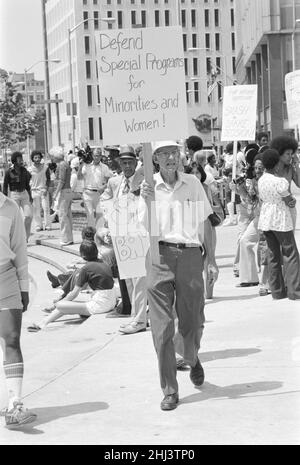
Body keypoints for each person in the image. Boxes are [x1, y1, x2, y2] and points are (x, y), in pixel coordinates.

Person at [140, 140, 218, 411]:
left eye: (175, 153)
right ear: (156, 160)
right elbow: (140, 225)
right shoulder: (148, 188)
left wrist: (212, 260)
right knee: (161, 329)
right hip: (158, 256)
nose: (171, 158)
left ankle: (192, 357)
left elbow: (205, 222)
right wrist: (144, 199)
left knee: (193, 320)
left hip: (190, 256)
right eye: (164, 154)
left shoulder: (192, 184)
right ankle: (170, 389)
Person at [101, 145, 148, 333]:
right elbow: (104, 201)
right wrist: (108, 218)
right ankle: (135, 316)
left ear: (136, 163)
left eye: (130, 162)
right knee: (128, 279)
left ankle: (139, 319)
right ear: (119, 163)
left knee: (139, 279)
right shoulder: (114, 182)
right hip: (121, 231)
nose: (127, 165)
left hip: (137, 231)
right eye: (124, 162)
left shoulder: (143, 179)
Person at [0, 190, 37, 427]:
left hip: (6, 278)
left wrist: (24, 286)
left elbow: (20, 249)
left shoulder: (10, 207)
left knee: (12, 338)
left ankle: (15, 403)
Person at [27, 240, 117, 332]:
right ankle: (43, 322)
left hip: (101, 305)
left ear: (82, 255)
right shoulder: (102, 263)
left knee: (61, 305)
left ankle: (43, 322)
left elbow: (74, 294)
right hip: (111, 301)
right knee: (65, 306)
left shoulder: (86, 269)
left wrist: (57, 305)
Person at [258, 149, 300, 300]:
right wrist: (292, 201)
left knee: (273, 255)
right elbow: (289, 201)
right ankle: (295, 291)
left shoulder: (261, 180)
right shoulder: (280, 181)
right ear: (276, 164)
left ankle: (277, 291)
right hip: (280, 219)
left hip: (266, 218)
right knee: (290, 254)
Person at [77, 148, 111, 227]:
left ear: (101, 156)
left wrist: (103, 187)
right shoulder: (86, 165)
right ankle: (91, 235)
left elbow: (108, 181)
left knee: (100, 215)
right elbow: (79, 177)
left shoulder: (105, 167)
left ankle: (99, 233)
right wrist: (81, 165)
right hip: (87, 193)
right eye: (95, 156)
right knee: (90, 215)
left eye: (98, 156)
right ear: (92, 156)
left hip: (99, 194)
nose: (97, 158)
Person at [3, 151, 33, 241]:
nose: (22, 161)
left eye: (22, 159)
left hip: (24, 194)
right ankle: (14, 238)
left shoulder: (25, 171)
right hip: (14, 195)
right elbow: (5, 185)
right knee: (15, 218)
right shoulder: (8, 172)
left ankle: (25, 237)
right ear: (14, 161)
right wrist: (4, 199)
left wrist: (30, 196)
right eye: (19, 159)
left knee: (28, 216)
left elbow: (27, 185)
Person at [50, 146, 74, 246]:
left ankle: (65, 238)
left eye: (52, 156)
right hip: (68, 191)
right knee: (67, 215)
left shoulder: (61, 165)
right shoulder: (65, 164)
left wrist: (55, 194)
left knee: (63, 215)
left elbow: (61, 181)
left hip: (64, 191)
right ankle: (69, 237)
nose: (52, 158)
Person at [28, 150, 51, 232]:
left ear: (41, 158)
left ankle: (48, 225)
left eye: (38, 157)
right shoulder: (29, 169)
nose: (37, 159)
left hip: (43, 190)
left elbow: (48, 179)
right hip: (34, 191)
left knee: (46, 208)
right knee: (36, 209)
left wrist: (46, 188)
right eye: (35, 157)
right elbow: (28, 181)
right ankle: (38, 225)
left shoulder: (45, 167)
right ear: (32, 159)